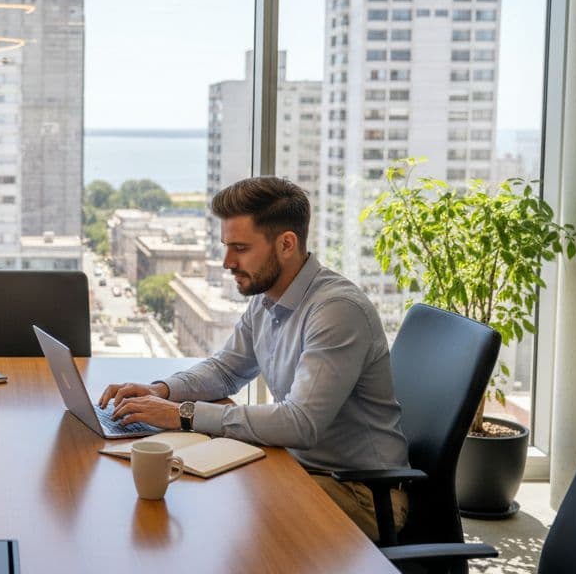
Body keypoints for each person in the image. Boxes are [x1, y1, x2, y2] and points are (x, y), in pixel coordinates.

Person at [99, 177, 409, 540]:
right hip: (297, 466)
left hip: (360, 493)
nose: (228, 262)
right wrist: (162, 391)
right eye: (226, 246)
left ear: (287, 244)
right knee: (197, 501)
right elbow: (225, 370)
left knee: (215, 519)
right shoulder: (268, 299)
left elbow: (300, 423)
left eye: (240, 248)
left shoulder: (336, 311)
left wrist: (181, 416)